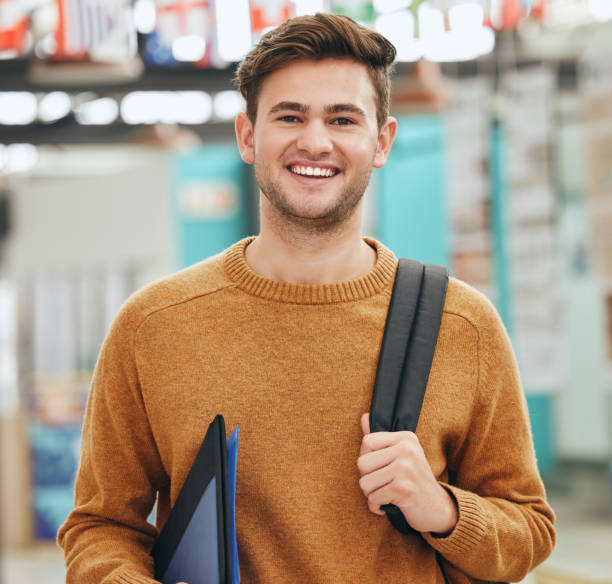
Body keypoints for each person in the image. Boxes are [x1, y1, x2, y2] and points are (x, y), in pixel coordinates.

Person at [58, 13, 555, 584]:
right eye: (289, 116)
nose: (315, 141)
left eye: (343, 118)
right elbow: (99, 525)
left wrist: (442, 510)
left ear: (382, 141)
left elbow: (529, 534)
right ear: (248, 136)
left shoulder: (460, 324)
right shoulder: (153, 326)